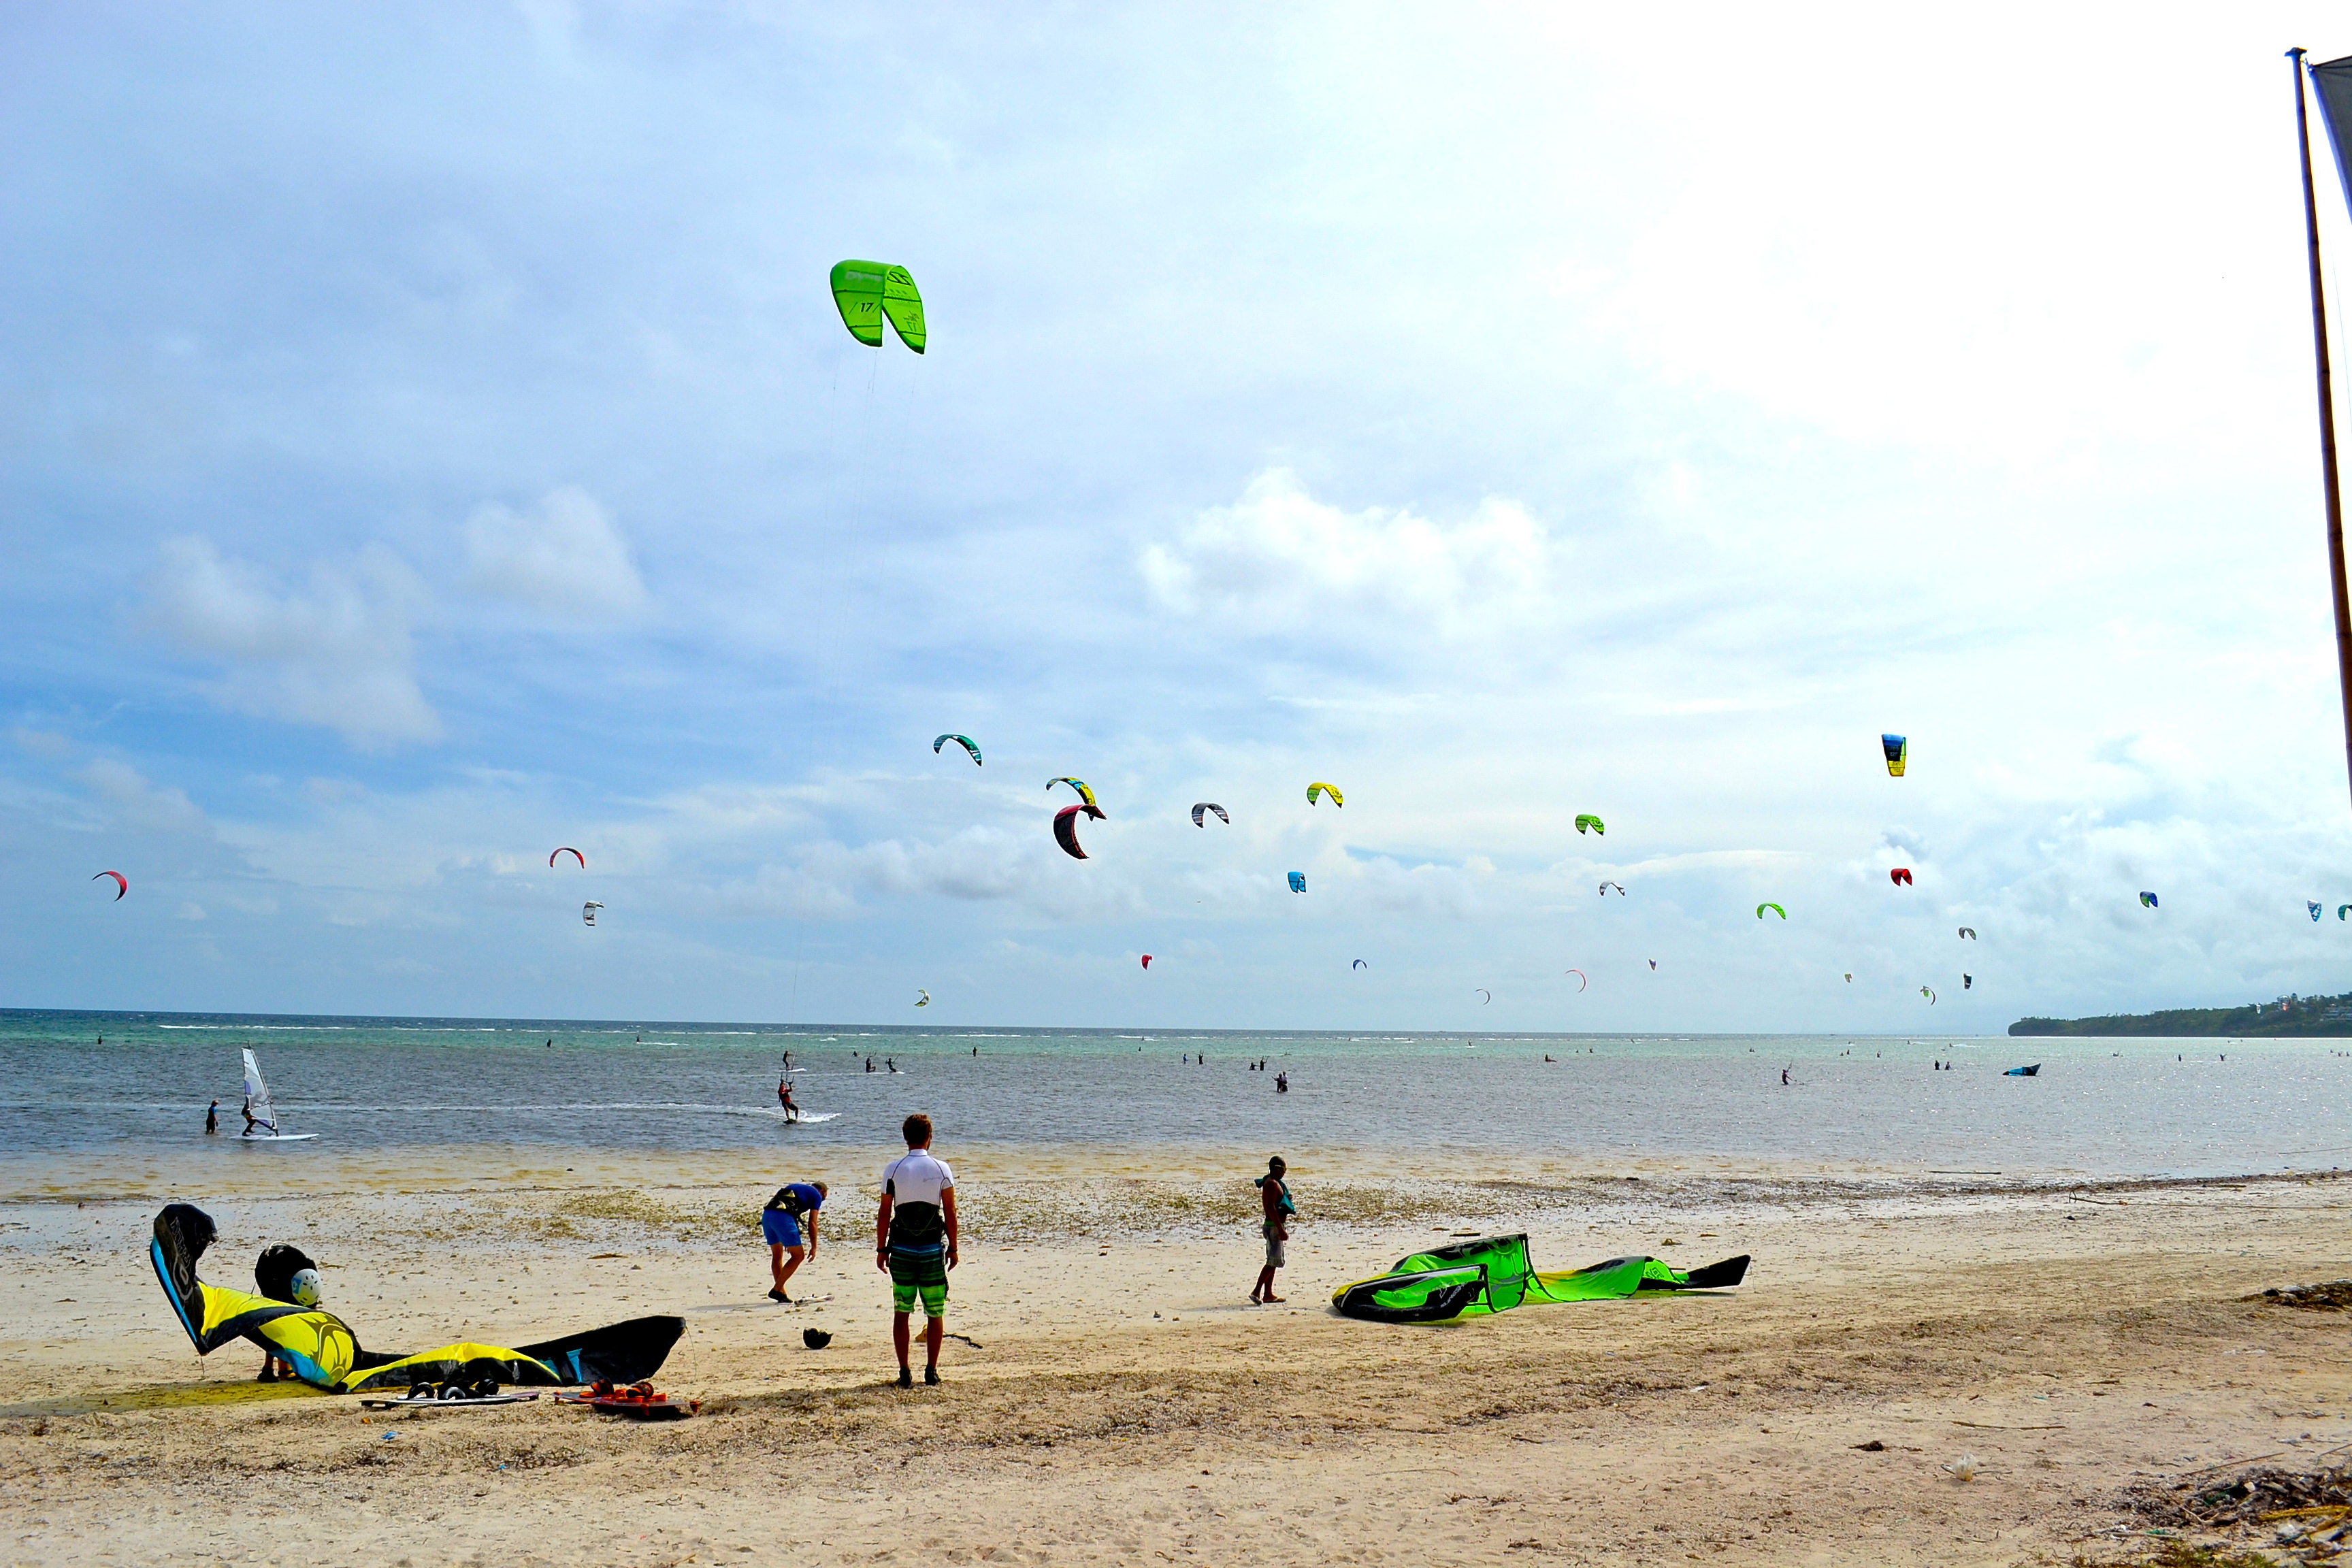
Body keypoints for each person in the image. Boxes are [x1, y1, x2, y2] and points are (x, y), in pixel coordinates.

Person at [877, 1113, 956, 1388]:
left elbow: (885, 1212)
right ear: (929, 1138)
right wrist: (954, 1248)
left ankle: (904, 1371)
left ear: (905, 1138)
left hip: (902, 1249)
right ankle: (931, 1371)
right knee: (935, 1312)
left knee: (902, 1311)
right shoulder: (941, 1168)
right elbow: (950, 1211)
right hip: (933, 1248)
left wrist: (881, 1248)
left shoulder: (893, 1169)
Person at [763, 1181, 826, 1301]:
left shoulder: (796, 1187)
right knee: (798, 1256)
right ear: (823, 1192)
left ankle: (781, 1293)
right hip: (783, 1218)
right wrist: (814, 1247)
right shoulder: (817, 1195)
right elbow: (812, 1222)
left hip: (767, 1216)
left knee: (777, 1256)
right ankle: (776, 1290)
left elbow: (787, 1205)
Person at [1252, 1157, 1292, 1304]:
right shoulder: (1272, 1183)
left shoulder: (1274, 1183)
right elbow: (1270, 1207)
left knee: (1274, 1261)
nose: (1284, 1173)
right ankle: (1256, 1291)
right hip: (1274, 1226)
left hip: (1274, 1225)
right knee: (1272, 1261)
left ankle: (1268, 1294)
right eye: (1284, 1170)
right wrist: (1281, 1229)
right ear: (1276, 1168)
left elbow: (1276, 1202)